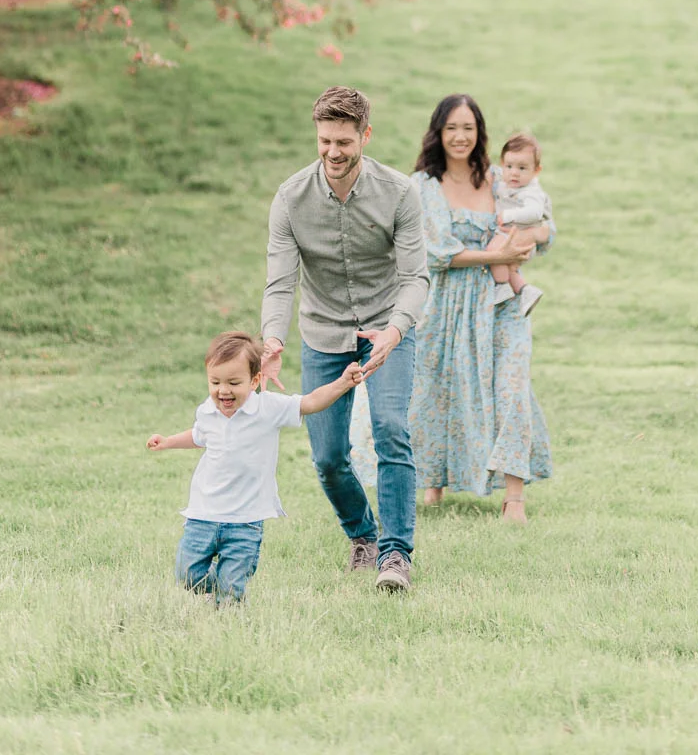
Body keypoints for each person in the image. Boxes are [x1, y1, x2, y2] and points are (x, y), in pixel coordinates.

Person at [260, 86, 429, 593]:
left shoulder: (399, 193)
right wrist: (271, 340)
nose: (334, 152)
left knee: (391, 428)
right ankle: (363, 536)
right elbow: (279, 281)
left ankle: (396, 555)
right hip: (323, 333)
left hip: (386, 328)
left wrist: (396, 329)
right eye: (325, 141)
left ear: (365, 136)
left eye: (344, 142)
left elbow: (416, 277)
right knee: (329, 456)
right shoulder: (291, 199)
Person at [408, 94, 554, 524]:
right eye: (451, 127)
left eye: (468, 127)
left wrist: (532, 239)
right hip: (447, 305)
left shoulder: (498, 179)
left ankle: (514, 498)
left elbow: (545, 223)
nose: (460, 136)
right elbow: (437, 251)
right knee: (438, 391)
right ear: (438, 132)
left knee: (512, 388)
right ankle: (433, 481)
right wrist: (497, 255)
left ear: (479, 133)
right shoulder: (422, 185)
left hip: (501, 303)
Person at [146, 329, 362, 603]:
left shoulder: (267, 409)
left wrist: (342, 383)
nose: (223, 391)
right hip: (203, 514)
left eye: (234, 383)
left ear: (255, 380)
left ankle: (229, 610)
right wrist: (168, 442)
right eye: (215, 382)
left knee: (232, 589)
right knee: (187, 575)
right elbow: (198, 436)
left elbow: (309, 403)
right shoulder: (207, 412)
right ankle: (220, 588)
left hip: (245, 521)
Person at [488, 132, 553, 316]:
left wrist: (508, 215)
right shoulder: (504, 183)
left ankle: (501, 288)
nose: (514, 172)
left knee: (494, 251)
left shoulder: (530, 192)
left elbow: (536, 213)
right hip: (513, 236)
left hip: (518, 237)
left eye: (522, 168)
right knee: (509, 267)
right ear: (502, 165)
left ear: (536, 171)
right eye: (509, 166)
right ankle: (525, 290)